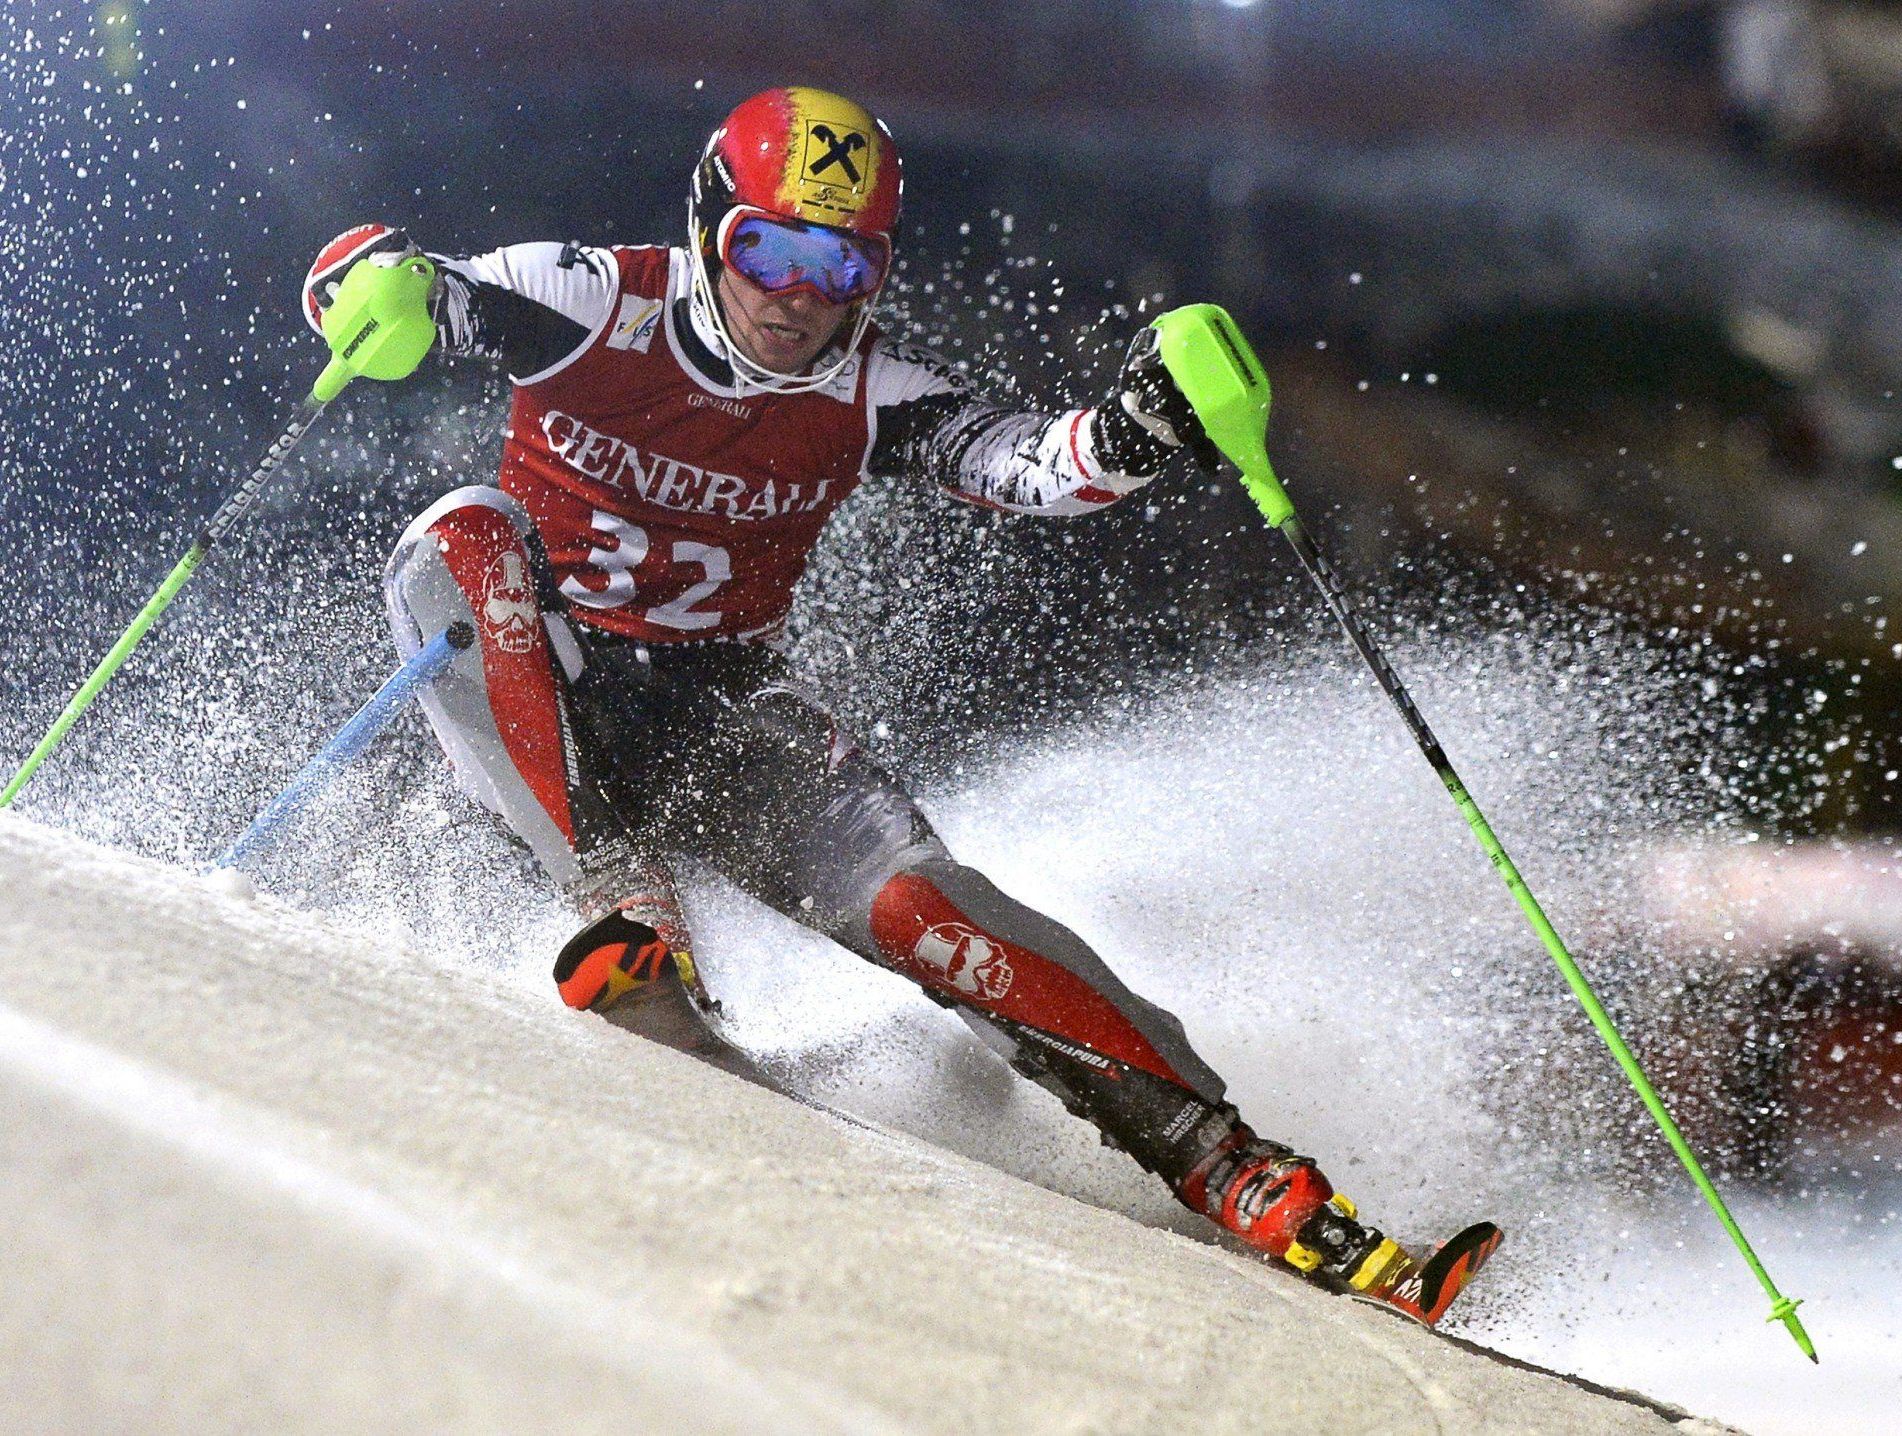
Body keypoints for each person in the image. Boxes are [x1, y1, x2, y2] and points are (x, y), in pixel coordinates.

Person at [303, 86, 1496, 1325]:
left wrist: (1140, 428)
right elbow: (367, 285)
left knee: (920, 900)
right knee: (458, 535)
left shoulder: (870, 391)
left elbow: (1036, 465)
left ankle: (1246, 1172)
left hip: (724, 713)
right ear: (715, 230)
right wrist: (372, 287)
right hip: (538, 681)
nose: (796, 292)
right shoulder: (593, 296)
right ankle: (615, 896)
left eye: (840, 261)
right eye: (768, 247)